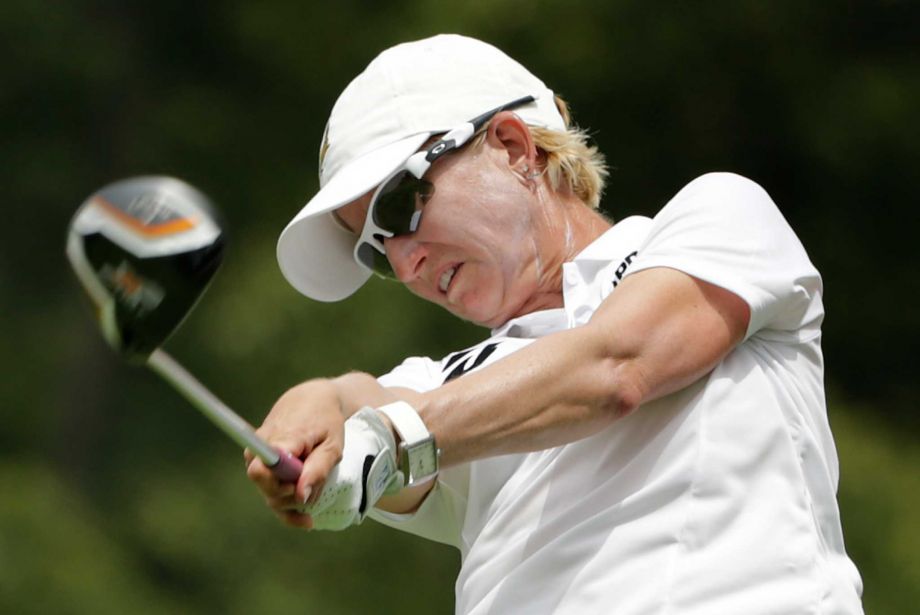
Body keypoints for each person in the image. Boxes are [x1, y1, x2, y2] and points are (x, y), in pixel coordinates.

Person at [245, 34, 864, 614]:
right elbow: (368, 403)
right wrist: (322, 403)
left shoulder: (717, 217)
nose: (405, 265)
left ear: (514, 147)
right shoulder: (448, 388)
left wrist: (389, 436)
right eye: (375, 250)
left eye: (400, 207)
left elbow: (616, 367)